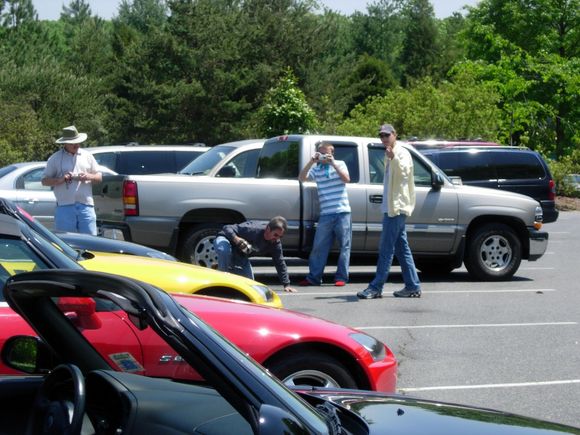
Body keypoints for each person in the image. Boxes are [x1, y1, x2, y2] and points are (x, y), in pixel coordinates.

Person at [357, 124, 421, 299]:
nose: (384, 138)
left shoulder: (401, 153)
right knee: (402, 249)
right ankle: (412, 286)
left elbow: (406, 173)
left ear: (395, 134)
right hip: (392, 208)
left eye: (387, 135)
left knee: (386, 248)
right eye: (381, 136)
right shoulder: (389, 153)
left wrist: (394, 158)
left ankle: (376, 288)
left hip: (397, 208)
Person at [298, 141, 351, 287]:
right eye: (320, 153)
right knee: (318, 247)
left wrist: (333, 163)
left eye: (326, 153)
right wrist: (311, 161)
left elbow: (346, 179)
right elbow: (302, 178)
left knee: (344, 246)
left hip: (342, 211)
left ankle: (341, 277)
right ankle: (313, 278)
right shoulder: (317, 169)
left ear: (332, 153)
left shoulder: (340, 163)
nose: (323, 156)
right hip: (326, 213)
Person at [42, 125, 102, 235]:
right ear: (65, 143)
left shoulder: (87, 156)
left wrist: (88, 176)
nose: (76, 145)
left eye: (78, 142)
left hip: (86, 205)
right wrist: (60, 180)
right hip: (64, 206)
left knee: (91, 241)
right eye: (73, 143)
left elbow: (99, 177)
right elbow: (44, 181)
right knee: (66, 243)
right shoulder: (55, 158)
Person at [214, 216, 298, 292]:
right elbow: (226, 227)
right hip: (225, 239)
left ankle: (217, 268)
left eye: (280, 237)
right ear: (268, 229)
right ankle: (222, 281)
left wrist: (286, 284)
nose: (277, 239)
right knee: (223, 250)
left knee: (250, 284)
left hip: (240, 253)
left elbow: (279, 262)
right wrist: (236, 239)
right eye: (275, 235)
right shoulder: (252, 228)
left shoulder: (275, 243)